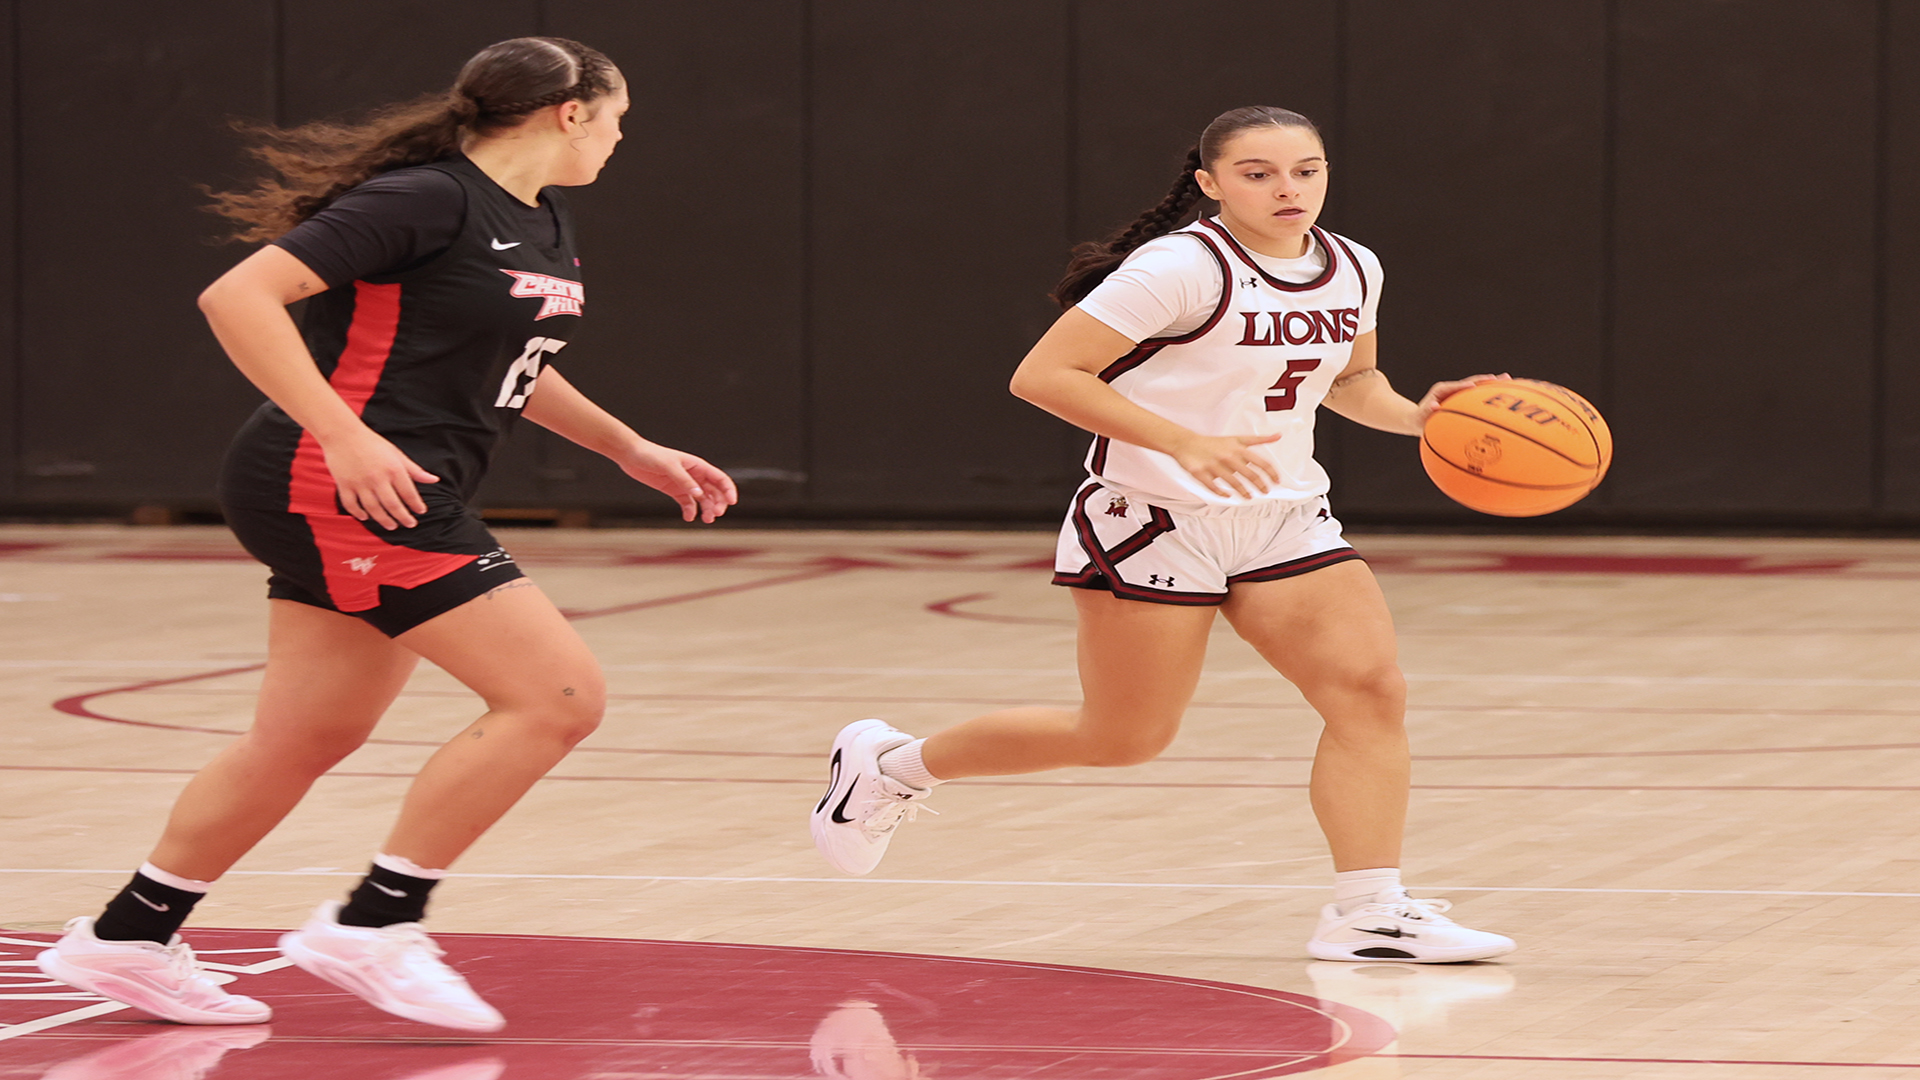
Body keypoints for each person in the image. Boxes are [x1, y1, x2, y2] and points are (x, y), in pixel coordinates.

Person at [37, 37, 737, 1030]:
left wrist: (628, 447)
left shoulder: (541, 216)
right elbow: (236, 297)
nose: (622, 138)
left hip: (389, 484)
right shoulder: (426, 198)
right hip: (344, 483)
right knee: (557, 696)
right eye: (618, 118)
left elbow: (513, 360)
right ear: (570, 111)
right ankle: (374, 922)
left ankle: (128, 937)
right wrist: (344, 435)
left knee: (307, 734)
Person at [811, 106, 1513, 964]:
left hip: (1282, 516)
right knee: (1123, 737)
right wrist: (1182, 441)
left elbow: (1350, 380)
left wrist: (1418, 418)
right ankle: (891, 766)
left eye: (1307, 170)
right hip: (1152, 518)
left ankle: (1369, 911)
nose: (1288, 189)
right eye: (1258, 173)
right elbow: (1044, 375)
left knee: (1371, 692)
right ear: (1212, 184)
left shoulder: (1354, 265)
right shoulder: (1180, 267)